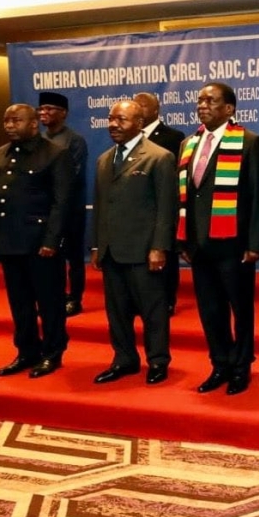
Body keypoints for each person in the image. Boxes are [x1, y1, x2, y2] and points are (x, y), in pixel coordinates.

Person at [177, 83, 259, 396]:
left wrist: (256, 244)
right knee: (210, 310)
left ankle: (241, 367)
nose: (202, 105)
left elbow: (258, 197)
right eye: (200, 100)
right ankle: (220, 364)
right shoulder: (189, 143)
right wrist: (184, 241)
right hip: (199, 246)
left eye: (211, 100)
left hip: (234, 245)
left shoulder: (249, 142)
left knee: (240, 310)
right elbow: (187, 196)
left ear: (229, 109)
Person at [89, 101, 177, 385]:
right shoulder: (104, 159)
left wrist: (159, 247)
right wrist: (96, 247)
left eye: (122, 119)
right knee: (117, 313)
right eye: (111, 119)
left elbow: (166, 207)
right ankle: (124, 359)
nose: (114, 124)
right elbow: (102, 206)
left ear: (139, 123)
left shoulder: (158, 157)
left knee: (153, 311)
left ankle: (158, 361)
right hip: (112, 251)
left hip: (144, 251)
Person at [0, 104, 72, 378]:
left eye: (16, 120)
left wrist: (52, 240)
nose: (10, 125)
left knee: (49, 302)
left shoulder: (55, 154)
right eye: (6, 120)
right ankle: (26, 352)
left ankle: (52, 353)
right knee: (19, 303)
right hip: (9, 242)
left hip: (40, 243)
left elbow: (61, 202)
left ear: (34, 124)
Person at [134, 91, 186, 316]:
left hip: (163, 206)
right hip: (137, 209)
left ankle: (167, 300)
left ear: (156, 110)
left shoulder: (173, 137)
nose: (138, 108)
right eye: (136, 104)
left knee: (166, 255)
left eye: (143, 105)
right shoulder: (130, 137)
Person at [38, 92, 89, 317]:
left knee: (74, 257)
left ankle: (75, 299)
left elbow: (72, 177)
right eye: (41, 109)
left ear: (63, 113)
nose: (44, 113)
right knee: (49, 257)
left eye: (50, 109)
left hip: (70, 210)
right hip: (45, 210)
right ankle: (54, 298)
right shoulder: (39, 140)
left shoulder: (74, 140)